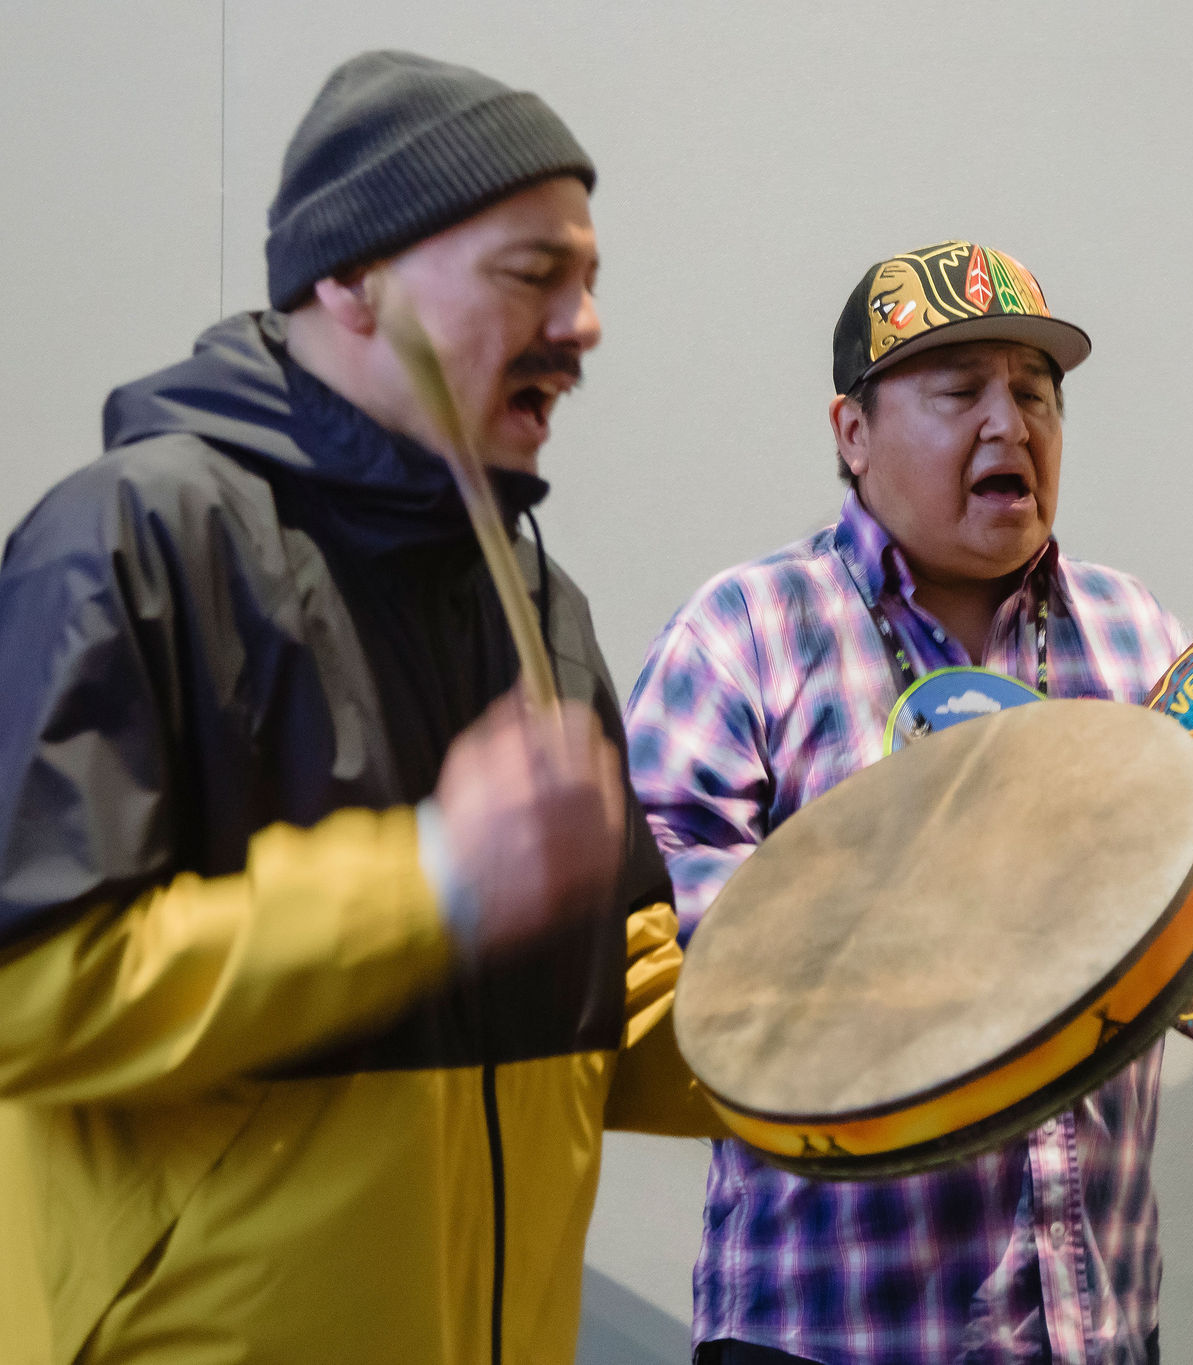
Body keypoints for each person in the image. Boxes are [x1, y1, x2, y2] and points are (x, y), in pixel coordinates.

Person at [0, 51, 711, 1364]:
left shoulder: (541, 609)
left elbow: (622, 993)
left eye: (591, 280)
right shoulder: (130, 538)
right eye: (532, 272)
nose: (585, 322)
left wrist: (887, 1028)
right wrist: (434, 880)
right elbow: (33, 994)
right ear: (352, 279)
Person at [626, 240, 1186, 1365]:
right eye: (957, 392)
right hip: (828, 1326)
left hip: (1093, 1322)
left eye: (1033, 394)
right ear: (851, 433)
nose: (1008, 424)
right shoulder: (743, 634)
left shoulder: (1138, 639)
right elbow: (678, 973)